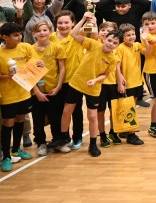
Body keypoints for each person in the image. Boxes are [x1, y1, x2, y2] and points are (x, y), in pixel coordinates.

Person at [58, 12, 122, 157]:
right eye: (109, 40)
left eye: (114, 43)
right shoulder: (93, 44)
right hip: (77, 82)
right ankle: (63, 137)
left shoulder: (113, 58)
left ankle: (93, 144)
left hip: (93, 87)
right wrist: (83, 19)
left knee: (92, 116)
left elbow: (105, 74)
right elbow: (74, 34)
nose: (110, 44)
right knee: (67, 111)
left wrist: (95, 80)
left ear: (117, 46)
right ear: (104, 38)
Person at [0, 22, 41, 170]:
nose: (19, 37)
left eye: (20, 34)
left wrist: (38, 65)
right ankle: (6, 157)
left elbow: (35, 65)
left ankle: (16, 150)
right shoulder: (0, 53)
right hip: (8, 95)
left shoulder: (26, 47)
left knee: (20, 120)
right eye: (15, 35)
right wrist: (7, 77)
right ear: (5, 37)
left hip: (24, 93)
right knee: (8, 124)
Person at [28, 20, 64, 154]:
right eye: (38, 31)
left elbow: (62, 68)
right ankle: (41, 143)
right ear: (34, 34)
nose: (42, 33)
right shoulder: (29, 50)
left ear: (50, 32)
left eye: (45, 30)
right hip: (36, 92)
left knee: (56, 118)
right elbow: (27, 73)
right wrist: (36, 91)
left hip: (53, 89)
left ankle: (57, 141)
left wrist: (59, 86)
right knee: (38, 119)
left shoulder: (57, 47)